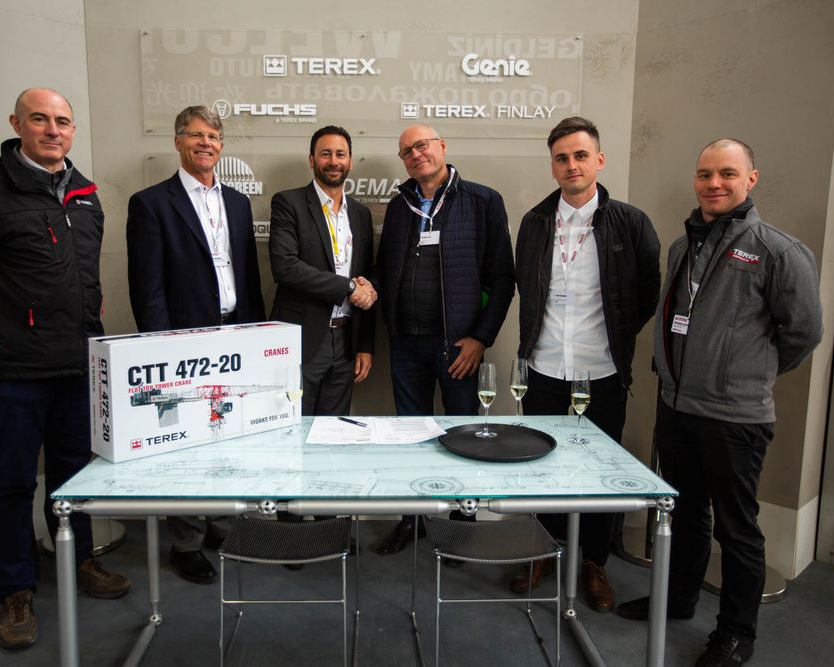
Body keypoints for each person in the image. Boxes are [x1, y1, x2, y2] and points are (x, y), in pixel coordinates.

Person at [0, 88, 130, 650]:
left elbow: (84, 281)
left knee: (75, 477)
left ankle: (79, 560)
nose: (52, 129)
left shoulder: (85, 194)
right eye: (39, 119)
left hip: (75, 365)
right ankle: (16, 590)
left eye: (62, 121)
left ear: (72, 130)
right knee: (12, 482)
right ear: (16, 123)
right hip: (13, 371)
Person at [617, 139, 823, 667]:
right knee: (685, 513)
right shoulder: (682, 247)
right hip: (677, 408)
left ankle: (735, 634)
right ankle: (679, 600)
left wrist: (747, 375)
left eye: (727, 174)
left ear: (751, 179)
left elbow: (803, 332)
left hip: (735, 417)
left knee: (737, 529)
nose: (714, 184)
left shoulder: (778, 250)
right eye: (705, 174)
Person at [512, 117, 660, 610]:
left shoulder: (631, 223)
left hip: (602, 372)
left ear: (599, 160)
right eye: (561, 158)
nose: (571, 165)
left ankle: (594, 561)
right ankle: (543, 551)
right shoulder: (534, 223)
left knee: (599, 471)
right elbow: (525, 287)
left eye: (580, 155)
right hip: (544, 369)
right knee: (541, 467)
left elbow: (646, 295)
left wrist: (613, 336)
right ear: (552, 166)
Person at [126, 105, 265, 585]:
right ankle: (185, 542)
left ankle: (221, 524)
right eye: (196, 135)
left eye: (213, 136)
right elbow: (147, 287)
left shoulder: (239, 203)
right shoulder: (151, 203)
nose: (206, 143)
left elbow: (248, 275)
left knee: (228, 433)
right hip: (181, 342)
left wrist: (254, 336)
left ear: (221, 146)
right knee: (182, 442)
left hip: (234, 334)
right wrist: (161, 346)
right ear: (178, 141)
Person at [372, 124, 515, 556]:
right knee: (411, 438)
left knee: (463, 435)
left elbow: (502, 279)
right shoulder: (400, 206)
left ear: (442, 147)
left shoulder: (482, 201)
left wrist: (480, 339)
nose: (416, 154)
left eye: (422, 145)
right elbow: (385, 269)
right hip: (406, 344)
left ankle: (461, 523)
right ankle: (412, 519)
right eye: (407, 151)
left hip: (458, 347)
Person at [269, 126, 376, 417]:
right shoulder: (288, 203)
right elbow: (286, 267)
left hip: (346, 343)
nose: (333, 161)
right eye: (325, 154)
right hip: (303, 340)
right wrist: (348, 288)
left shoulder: (361, 214)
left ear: (350, 161)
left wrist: (364, 345)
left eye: (340, 154)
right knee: (293, 424)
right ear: (312, 160)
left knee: (335, 429)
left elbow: (365, 278)